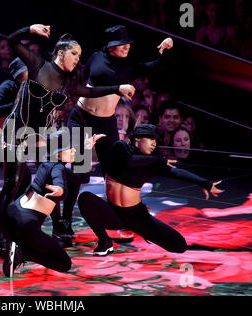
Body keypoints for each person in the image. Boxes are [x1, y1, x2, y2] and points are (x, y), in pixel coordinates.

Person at [0, 23, 126, 258]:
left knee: (47, 180)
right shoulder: (38, 65)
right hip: (16, 134)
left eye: (80, 56)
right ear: (60, 53)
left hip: (38, 139)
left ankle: (51, 227)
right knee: (11, 187)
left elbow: (91, 92)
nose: (77, 59)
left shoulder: (67, 82)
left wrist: (117, 88)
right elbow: (12, 40)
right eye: (74, 53)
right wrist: (29, 30)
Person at [64, 25, 173, 237]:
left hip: (106, 123)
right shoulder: (96, 59)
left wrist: (166, 51)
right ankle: (65, 220)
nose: (125, 48)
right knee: (79, 170)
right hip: (81, 118)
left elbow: (154, 66)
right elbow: (86, 81)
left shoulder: (130, 65)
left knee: (115, 172)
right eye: (120, 45)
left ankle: (119, 218)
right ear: (109, 46)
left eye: (127, 44)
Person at [78, 124, 224, 256]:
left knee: (179, 246)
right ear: (137, 139)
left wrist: (205, 183)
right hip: (113, 214)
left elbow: (176, 172)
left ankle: (142, 232)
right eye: (150, 138)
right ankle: (104, 241)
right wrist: (158, 160)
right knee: (85, 198)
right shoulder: (121, 147)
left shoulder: (151, 162)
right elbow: (127, 162)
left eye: (156, 140)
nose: (154, 143)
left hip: (137, 216)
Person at [1, 130, 75, 277]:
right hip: (25, 225)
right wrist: (60, 190)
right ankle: (22, 254)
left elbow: (70, 174)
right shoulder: (58, 167)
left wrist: (87, 145)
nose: (74, 150)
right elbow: (59, 179)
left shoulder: (47, 163)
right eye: (70, 147)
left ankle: (17, 248)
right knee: (65, 264)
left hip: (10, 215)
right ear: (58, 153)